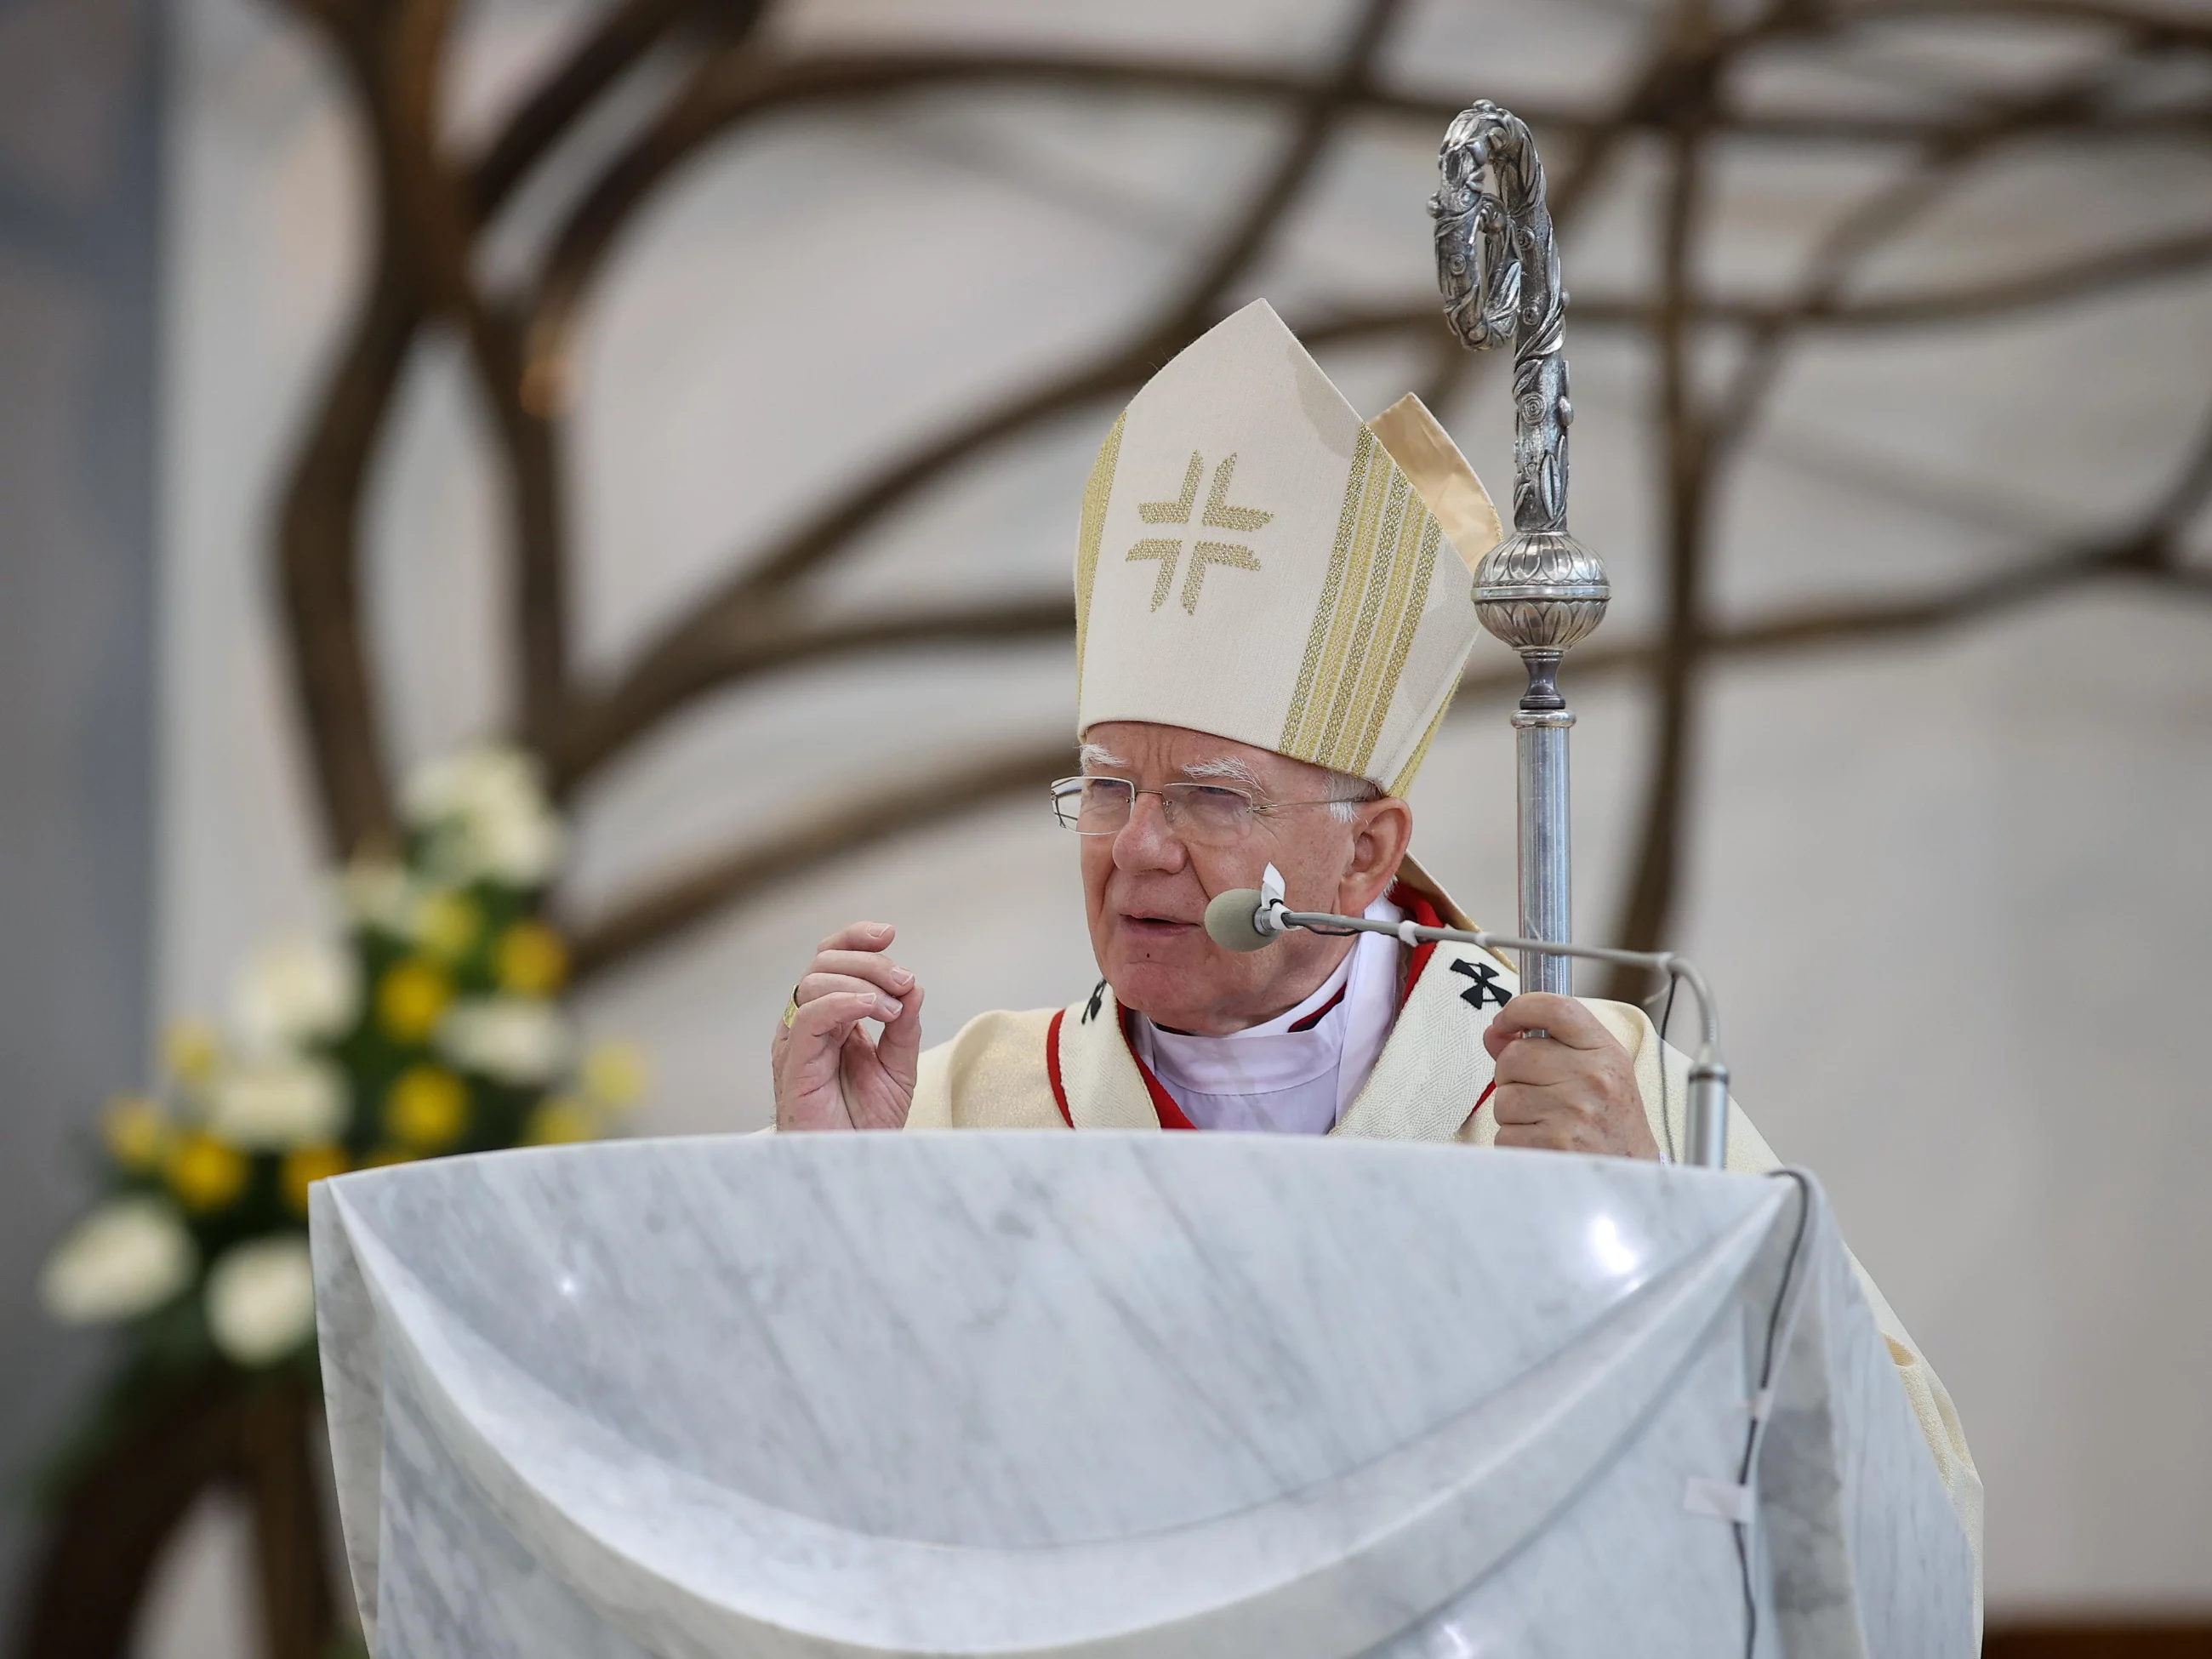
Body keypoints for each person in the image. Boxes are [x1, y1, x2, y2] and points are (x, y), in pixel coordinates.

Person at [767, 299, 1981, 1586]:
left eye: (1211, 798)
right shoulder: (949, 1112)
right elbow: (772, 1507)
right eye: (1110, 786)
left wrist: (1665, 1237)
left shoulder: (1598, 1093)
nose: (1140, 849)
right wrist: (819, 1210)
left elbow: (1918, 1513)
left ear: (1368, 849)